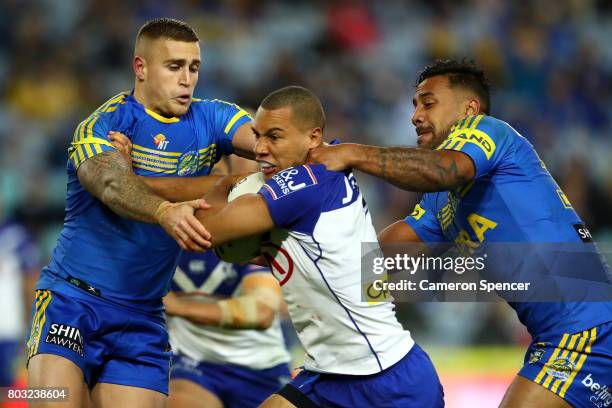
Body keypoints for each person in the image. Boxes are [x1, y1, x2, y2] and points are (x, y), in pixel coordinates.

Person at [307, 59, 612, 408]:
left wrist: (352, 153)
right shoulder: (440, 201)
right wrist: (304, 247)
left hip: (587, 326)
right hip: (561, 334)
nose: (416, 116)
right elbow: (379, 258)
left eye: (428, 103)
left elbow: (445, 170)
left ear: (469, 109)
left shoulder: (489, 131)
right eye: (415, 105)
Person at [26, 18, 255, 408]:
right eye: (174, 66)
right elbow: (112, 185)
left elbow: (269, 150)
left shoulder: (214, 118)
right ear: (141, 68)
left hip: (142, 319)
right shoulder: (104, 125)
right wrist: (165, 211)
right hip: (72, 302)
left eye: (193, 67)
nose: (187, 79)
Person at [189, 86, 444, 407]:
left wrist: (225, 186)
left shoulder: (302, 185)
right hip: (331, 373)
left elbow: (206, 231)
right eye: (257, 136)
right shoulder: (323, 169)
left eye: (274, 137)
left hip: (387, 380)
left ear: (313, 137)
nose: (260, 149)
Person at [164, 251, 291, 408]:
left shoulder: (245, 242)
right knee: (181, 400)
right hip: (192, 361)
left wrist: (181, 307)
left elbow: (261, 312)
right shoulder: (159, 246)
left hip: (261, 366)